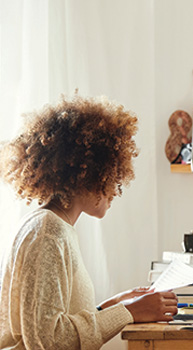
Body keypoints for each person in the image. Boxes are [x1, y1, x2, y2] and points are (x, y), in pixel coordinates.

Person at [0, 95, 178, 349]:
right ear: (89, 172)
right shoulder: (48, 233)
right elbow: (49, 341)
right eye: (113, 175)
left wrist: (110, 306)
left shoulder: (53, 226)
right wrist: (128, 313)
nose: (116, 187)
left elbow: (49, 322)